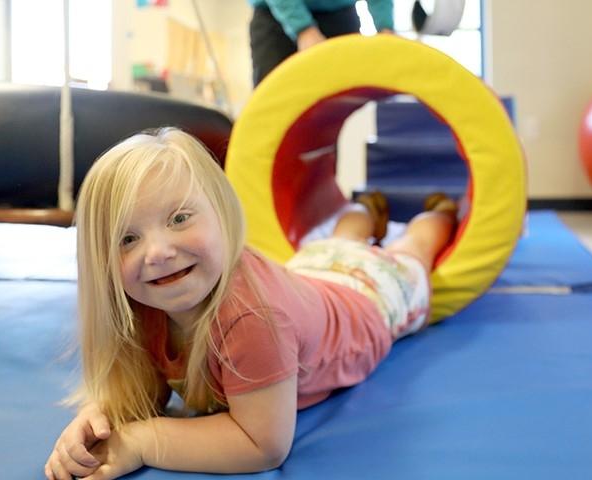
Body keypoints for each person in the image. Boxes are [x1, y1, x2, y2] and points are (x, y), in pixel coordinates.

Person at [44, 127, 457, 480]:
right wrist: (101, 419)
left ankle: (439, 214)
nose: (157, 253)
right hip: (311, 275)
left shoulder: (254, 318)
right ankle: (365, 210)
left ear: (223, 213)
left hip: (369, 298)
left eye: (179, 219)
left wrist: (140, 440)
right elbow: (145, 387)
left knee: (411, 251)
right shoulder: (146, 298)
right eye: (127, 239)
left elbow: (263, 444)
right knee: (340, 243)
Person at [249, 0, 394, 86]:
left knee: (348, 96)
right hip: (275, 16)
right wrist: (302, 29)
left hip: (340, 12)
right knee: (273, 96)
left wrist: (386, 28)